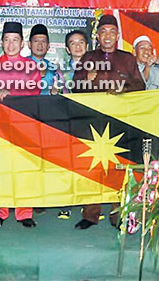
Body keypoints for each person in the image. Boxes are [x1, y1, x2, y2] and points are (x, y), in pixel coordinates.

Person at [73, 14, 145, 229]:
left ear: (117, 35)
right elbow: (75, 88)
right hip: (93, 123)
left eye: (112, 32)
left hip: (119, 123)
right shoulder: (88, 58)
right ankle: (90, 214)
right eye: (103, 31)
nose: (107, 35)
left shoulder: (127, 59)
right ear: (97, 35)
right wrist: (86, 80)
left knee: (119, 167)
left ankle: (118, 214)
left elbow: (140, 88)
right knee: (92, 166)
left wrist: (122, 89)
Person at [0, 21, 41, 228]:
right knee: (1, 169)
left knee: (24, 169)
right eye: (7, 40)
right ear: (2, 42)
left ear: (22, 43)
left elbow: (34, 92)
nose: (11, 44)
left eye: (15, 40)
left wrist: (12, 92)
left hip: (24, 125)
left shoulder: (30, 66)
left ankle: (24, 213)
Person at [58, 29, 89, 220]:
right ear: (68, 49)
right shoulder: (60, 71)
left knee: (88, 164)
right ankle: (65, 204)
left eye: (80, 43)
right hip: (68, 122)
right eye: (72, 43)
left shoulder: (99, 69)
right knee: (66, 163)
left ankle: (88, 204)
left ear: (87, 46)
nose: (77, 46)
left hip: (91, 122)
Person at [28, 24, 63, 95]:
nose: (40, 45)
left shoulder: (53, 68)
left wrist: (54, 92)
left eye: (43, 41)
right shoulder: (20, 65)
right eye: (36, 41)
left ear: (48, 45)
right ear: (29, 44)